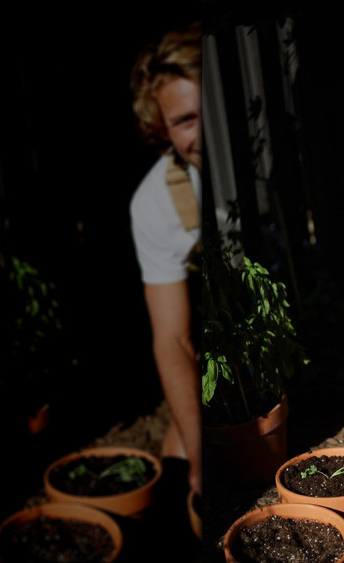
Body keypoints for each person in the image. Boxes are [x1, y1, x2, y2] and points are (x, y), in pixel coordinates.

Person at [128, 22, 202, 500]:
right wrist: (198, 457)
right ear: (163, 128)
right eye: (184, 120)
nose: (203, 133)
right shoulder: (156, 200)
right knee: (177, 476)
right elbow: (173, 338)